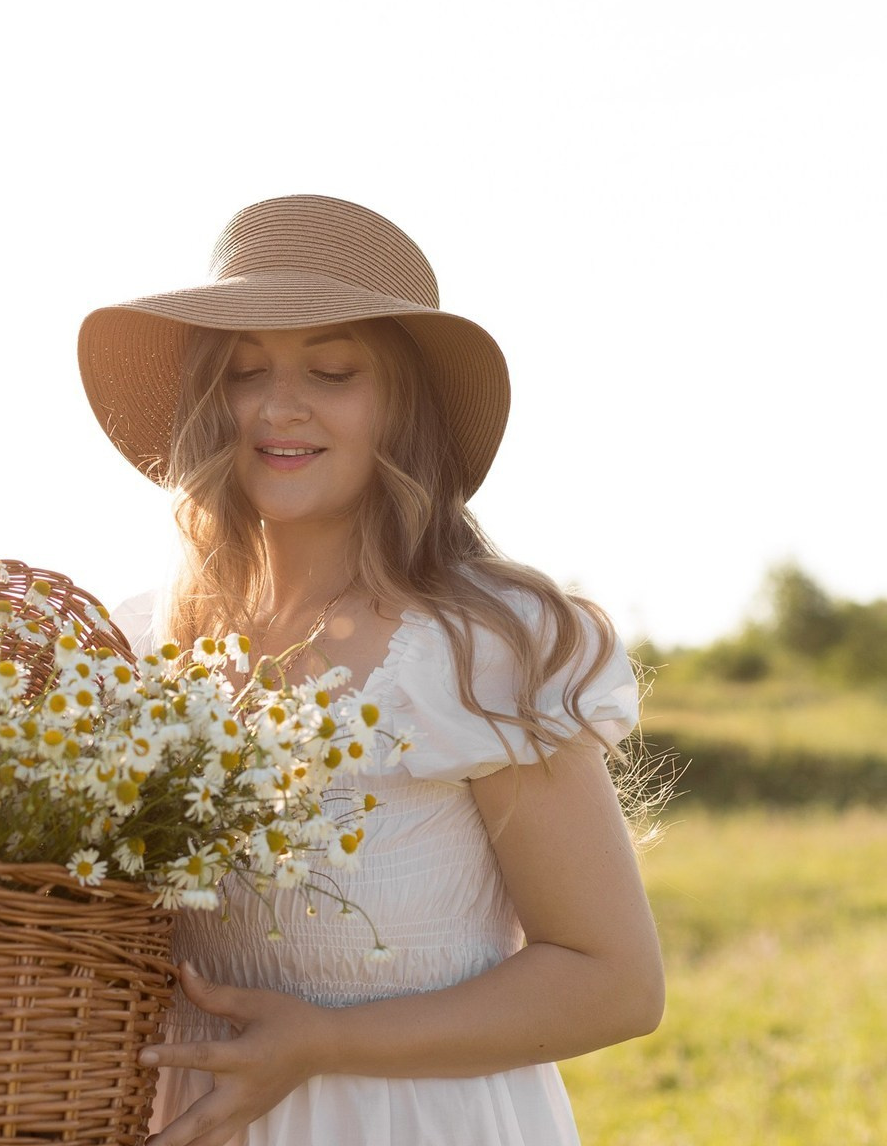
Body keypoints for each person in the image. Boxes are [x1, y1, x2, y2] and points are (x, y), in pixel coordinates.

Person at [76, 194, 664, 1146]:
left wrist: (323, 1041)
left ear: (402, 403)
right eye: (243, 371)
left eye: (333, 370)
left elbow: (615, 982)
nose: (278, 405)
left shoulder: (482, 648)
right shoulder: (136, 649)